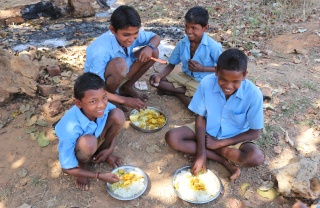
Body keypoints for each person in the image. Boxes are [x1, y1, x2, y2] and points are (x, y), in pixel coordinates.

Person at [165, 49, 264, 181]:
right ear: (216, 71)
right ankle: (223, 161)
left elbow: (255, 132)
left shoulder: (253, 94)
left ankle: (210, 148)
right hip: (207, 129)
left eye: (235, 81)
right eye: (222, 79)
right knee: (172, 137)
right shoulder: (207, 83)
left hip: (234, 136)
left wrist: (220, 143)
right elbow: (200, 117)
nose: (228, 86)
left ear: (245, 75)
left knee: (255, 158)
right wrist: (201, 155)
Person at [55, 72, 125, 191]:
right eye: (93, 101)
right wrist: (99, 176)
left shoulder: (102, 107)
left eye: (104, 97)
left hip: (95, 136)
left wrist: (109, 149)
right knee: (89, 143)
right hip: (82, 144)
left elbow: (113, 121)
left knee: (118, 115)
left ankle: (102, 151)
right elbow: (65, 168)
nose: (101, 105)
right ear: (78, 103)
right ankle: (82, 167)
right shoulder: (71, 129)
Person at [85, 5, 161, 111]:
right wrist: (124, 100)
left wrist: (150, 47)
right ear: (112, 30)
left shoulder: (131, 33)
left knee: (153, 51)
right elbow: (95, 89)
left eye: (135, 33)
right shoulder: (100, 50)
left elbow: (155, 37)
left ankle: (127, 87)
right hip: (103, 82)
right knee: (119, 65)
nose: (131, 39)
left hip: (124, 68)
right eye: (126, 35)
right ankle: (111, 98)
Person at [149, 6, 222, 107]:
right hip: (185, 77)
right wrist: (159, 76)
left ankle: (177, 92)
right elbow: (171, 64)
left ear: (205, 28)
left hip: (202, 82)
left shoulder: (213, 46)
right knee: (154, 80)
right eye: (187, 26)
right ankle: (185, 91)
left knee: (196, 107)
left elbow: (224, 68)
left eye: (194, 28)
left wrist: (203, 68)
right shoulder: (182, 43)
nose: (189, 31)